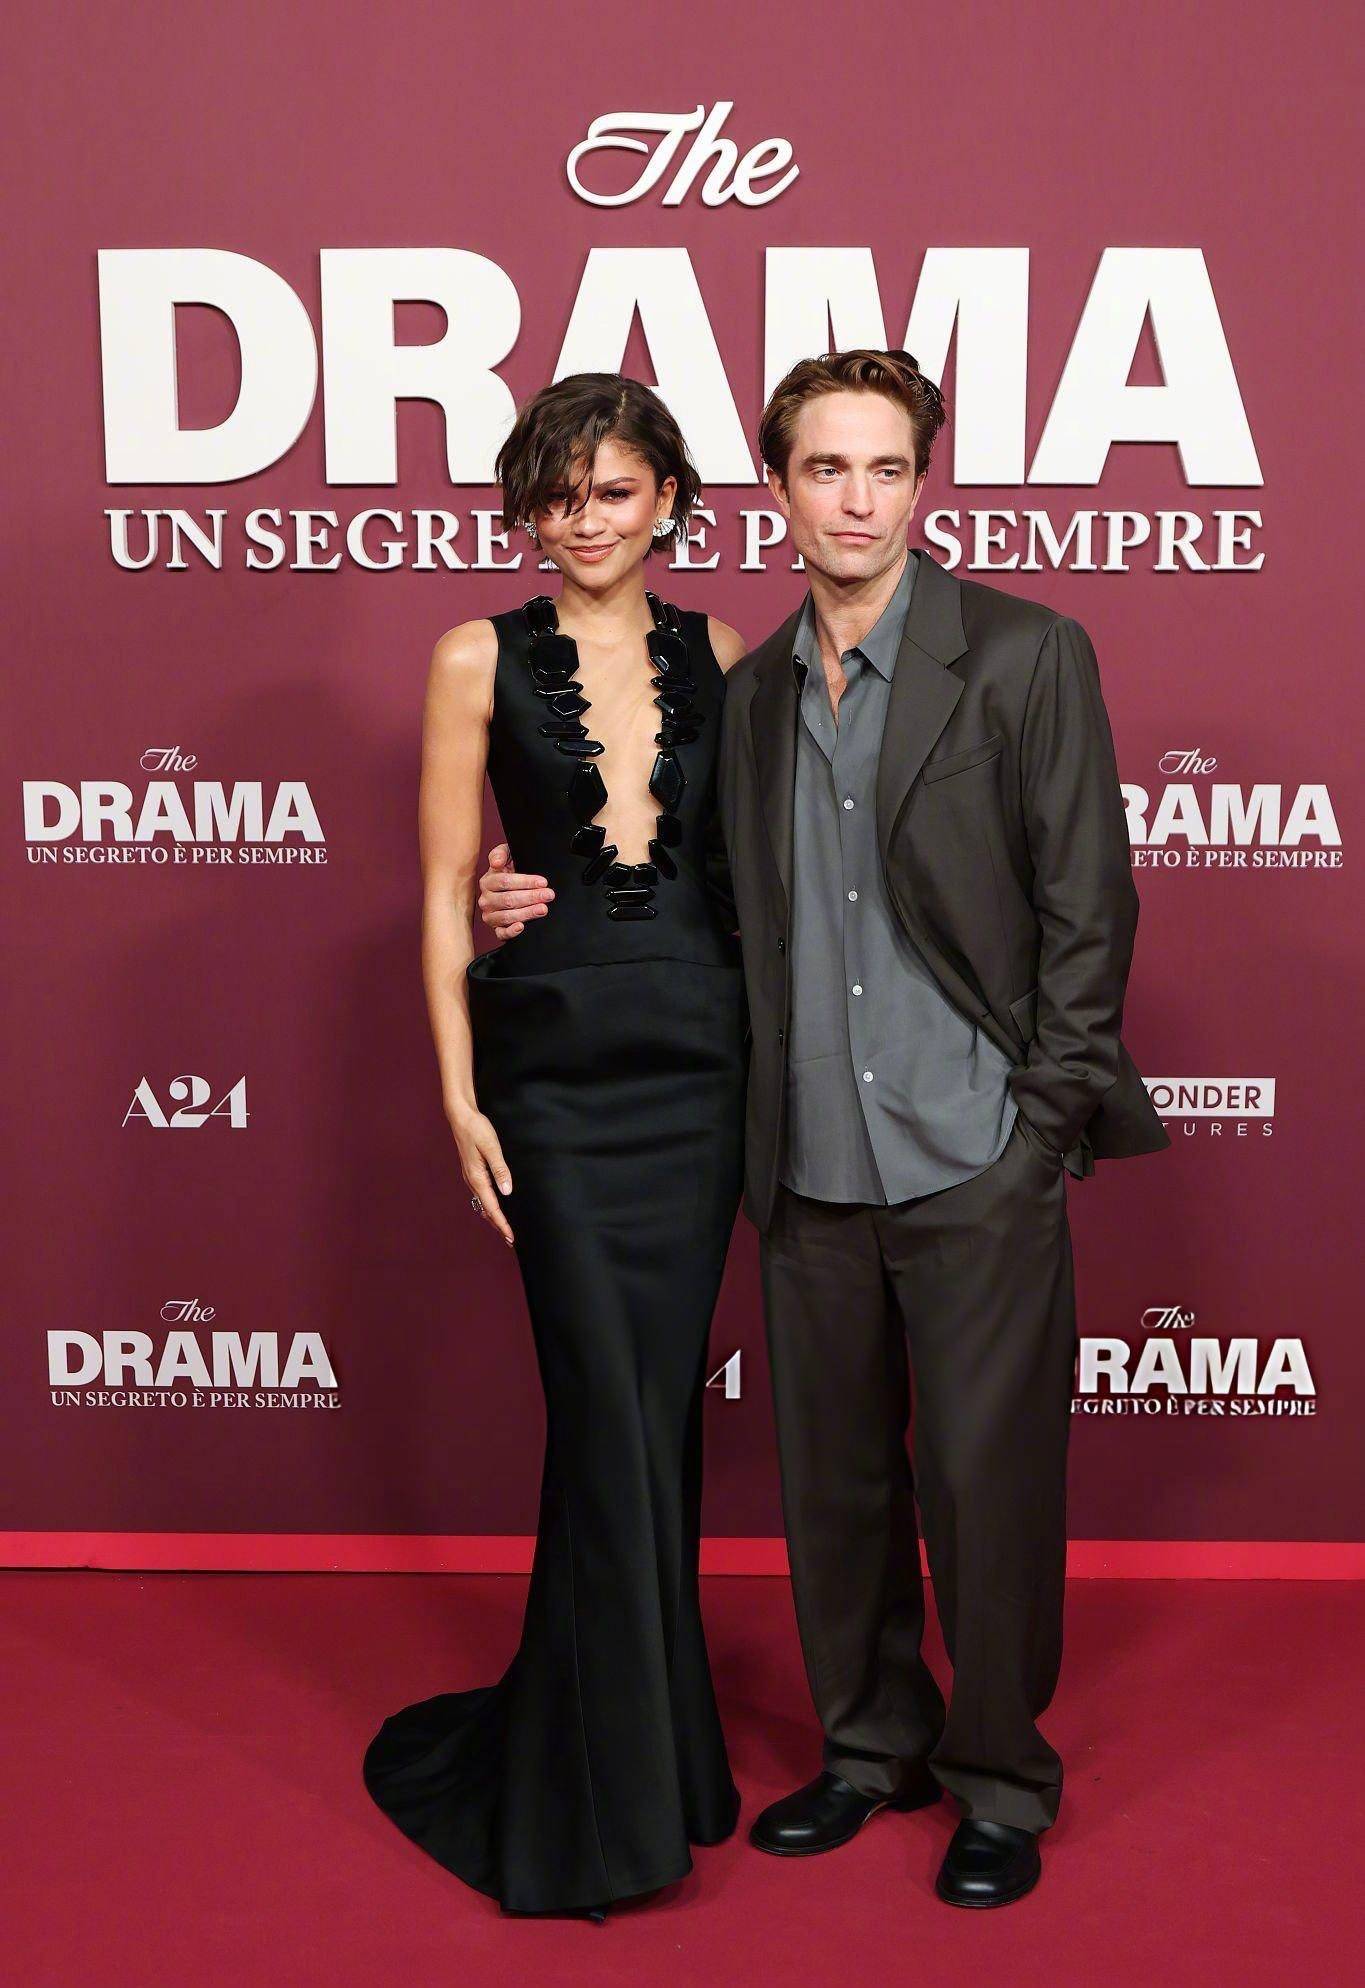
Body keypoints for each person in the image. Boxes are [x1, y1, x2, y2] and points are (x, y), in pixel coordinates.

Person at [478, 349, 1170, 1910]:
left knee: (984, 1490)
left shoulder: (1024, 653)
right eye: (824, 469)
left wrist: (1038, 1125)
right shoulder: (748, 690)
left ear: (920, 482)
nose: (856, 500)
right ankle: (870, 1749)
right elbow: (682, 883)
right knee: (836, 1488)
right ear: (777, 489)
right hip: (802, 1158)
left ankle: (998, 1779)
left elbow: (1088, 906)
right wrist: (503, 886)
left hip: (973, 1149)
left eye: (885, 468)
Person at [362, 373, 751, 1920]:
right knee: (600, 1411)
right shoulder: (474, 654)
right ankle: (600, 1798)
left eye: (613, 490)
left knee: (653, 1414)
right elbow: (441, 888)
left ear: (669, 499)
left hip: (701, 1066)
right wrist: (457, 1094)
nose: (583, 522)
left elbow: (753, 869)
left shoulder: (724, 653)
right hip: (554, 1080)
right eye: (556, 495)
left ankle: (662, 1759)